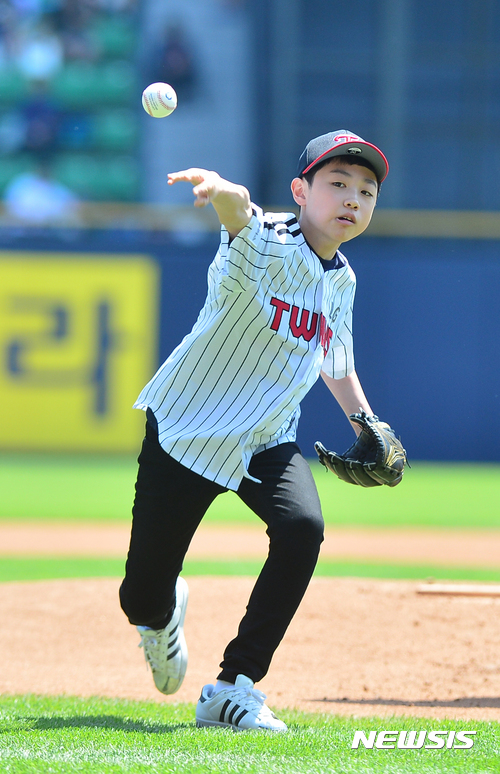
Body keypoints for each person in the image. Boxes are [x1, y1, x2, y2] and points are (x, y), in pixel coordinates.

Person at [119, 130, 390, 732]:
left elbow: (335, 356)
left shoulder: (341, 277)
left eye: (366, 191)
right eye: (337, 183)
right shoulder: (266, 240)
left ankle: (233, 686)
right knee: (139, 596)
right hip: (188, 430)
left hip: (266, 438)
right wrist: (219, 191)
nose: (352, 198)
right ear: (300, 191)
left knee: (302, 529)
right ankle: (161, 616)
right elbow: (239, 211)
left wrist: (366, 422)